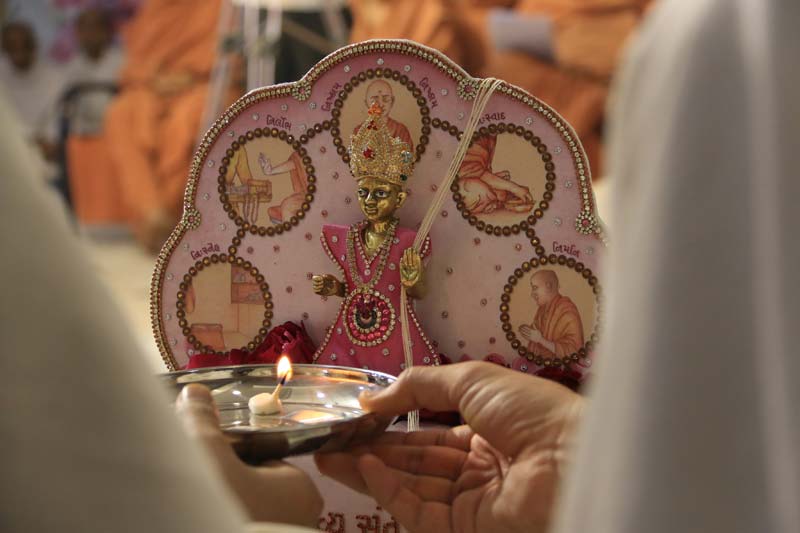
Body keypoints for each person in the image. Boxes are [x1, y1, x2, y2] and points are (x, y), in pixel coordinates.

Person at [0, 87, 320, 532]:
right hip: (151, 89)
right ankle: (153, 213)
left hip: (192, 86)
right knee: (128, 113)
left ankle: (166, 211)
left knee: (190, 113)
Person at [103, 0, 225, 253]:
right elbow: (134, 66)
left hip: (206, 87)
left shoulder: (219, 6)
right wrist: (153, 79)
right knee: (121, 114)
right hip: (154, 88)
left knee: (189, 119)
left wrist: (191, 77)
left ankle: (173, 218)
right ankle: (152, 212)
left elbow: (233, 60)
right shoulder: (156, 7)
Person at [0, 21, 65, 180]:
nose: (19, 50)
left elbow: (56, 128)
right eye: (12, 46)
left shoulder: (55, 77)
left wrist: (41, 143)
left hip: (45, 158)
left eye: (24, 44)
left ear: (34, 45)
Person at [518, 270, 584, 358]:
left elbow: (574, 350)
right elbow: (536, 335)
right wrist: (528, 332)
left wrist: (540, 340)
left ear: (548, 287)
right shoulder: (542, 310)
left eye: (535, 288)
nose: (532, 294)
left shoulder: (567, 310)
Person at [353, 79, 414, 151]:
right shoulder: (359, 131)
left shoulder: (401, 130)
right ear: (366, 103)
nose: (381, 104)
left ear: (392, 101)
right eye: (374, 100)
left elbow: (408, 154)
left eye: (386, 99)